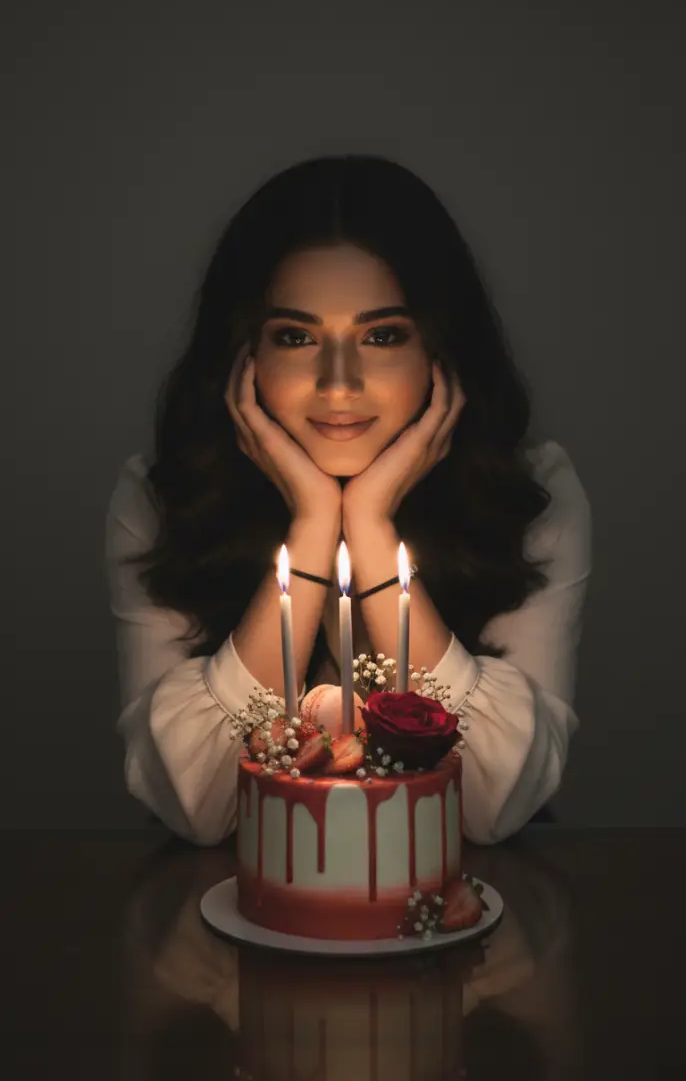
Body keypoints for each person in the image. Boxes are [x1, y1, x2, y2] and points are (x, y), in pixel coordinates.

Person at [104, 154, 592, 848]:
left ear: (440, 350)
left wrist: (370, 527)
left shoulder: (533, 492)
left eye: (382, 335)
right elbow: (198, 807)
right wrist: (312, 524)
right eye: (297, 337)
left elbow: (493, 804)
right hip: (222, 903)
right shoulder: (160, 497)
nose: (339, 383)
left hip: (473, 902)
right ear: (244, 355)